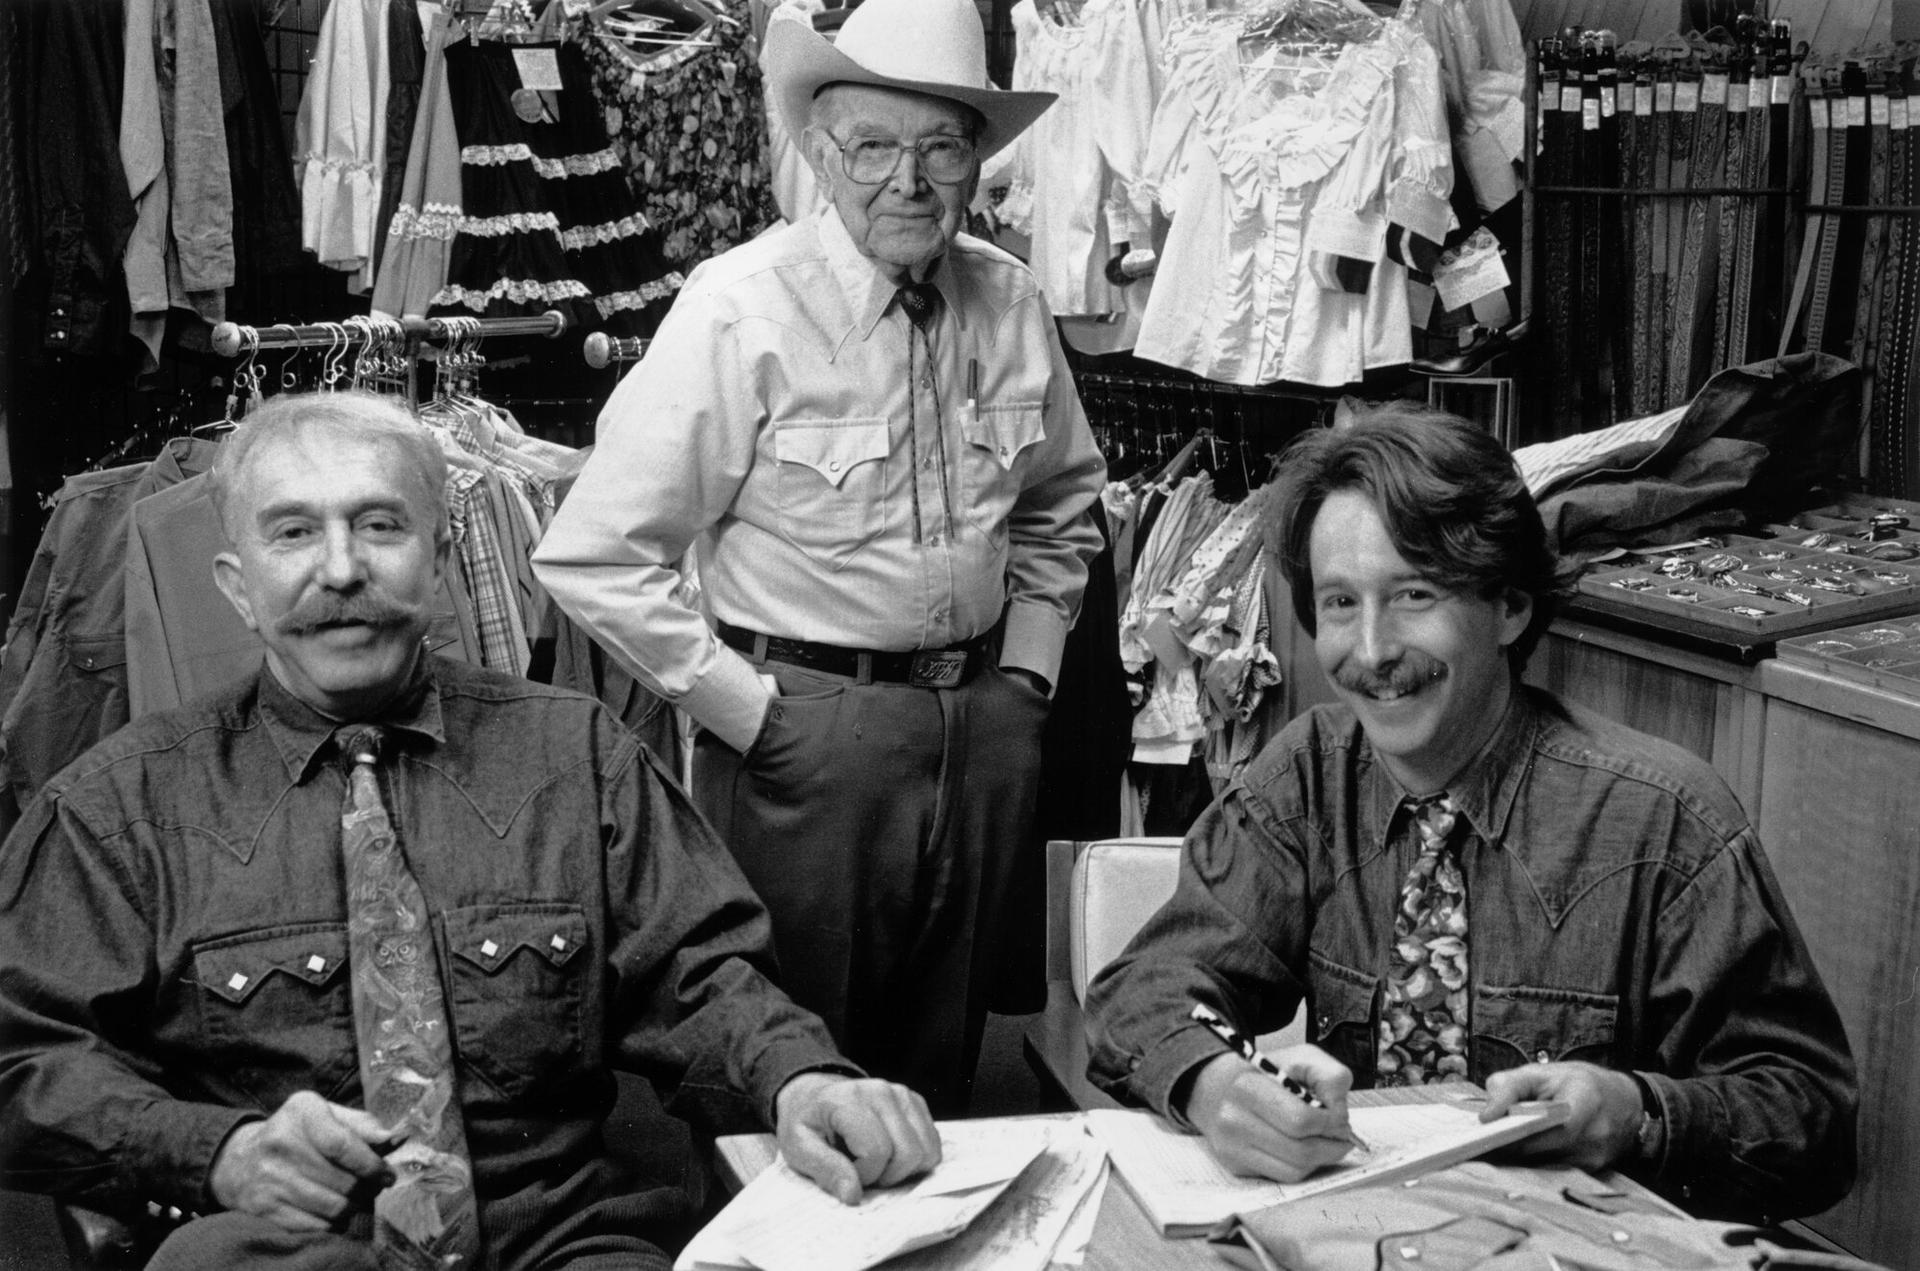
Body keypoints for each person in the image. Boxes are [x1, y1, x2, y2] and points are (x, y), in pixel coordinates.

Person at [0, 391, 940, 1271]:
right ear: (239, 588)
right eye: (294, 532)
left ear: (441, 560)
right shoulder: (120, 808)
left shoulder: (575, 753)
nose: (342, 569)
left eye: (380, 525)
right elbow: (22, 1060)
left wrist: (800, 1080)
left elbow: (700, 975)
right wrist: (217, 1151)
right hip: (283, 1243)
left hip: (560, 1235)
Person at [532, 0, 1105, 1114]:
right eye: (873, 146)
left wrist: (1029, 677)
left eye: (942, 148)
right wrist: (750, 712)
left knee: (941, 1072)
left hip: (981, 728)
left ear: (977, 160)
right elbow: (593, 555)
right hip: (802, 739)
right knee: (779, 1064)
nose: (909, 181)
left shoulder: (1011, 297)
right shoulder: (739, 307)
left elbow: (1062, 498)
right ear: (821, 153)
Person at [1084, 405, 1858, 1223]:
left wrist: (1636, 1114)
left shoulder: (1665, 820)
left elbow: (1813, 1119)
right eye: (1340, 602)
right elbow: (1145, 987)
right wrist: (1218, 1086)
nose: (1372, 650)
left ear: (1510, 606)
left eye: (1414, 594)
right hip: (1365, 1238)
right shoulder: (1308, 775)